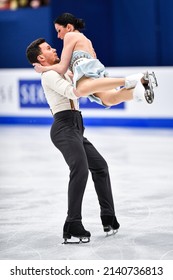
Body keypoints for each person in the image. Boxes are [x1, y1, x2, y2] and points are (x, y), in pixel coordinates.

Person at [26, 38, 121, 244]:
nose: (54, 49)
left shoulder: (56, 70)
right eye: (49, 48)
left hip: (76, 127)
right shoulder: (50, 75)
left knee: (100, 166)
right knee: (80, 168)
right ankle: (72, 223)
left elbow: (77, 73)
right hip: (64, 127)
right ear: (41, 57)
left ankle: (108, 216)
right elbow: (73, 92)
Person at [33, 13, 156, 106]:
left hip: (84, 66)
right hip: (91, 67)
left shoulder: (70, 36)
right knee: (109, 99)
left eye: (59, 31)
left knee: (81, 89)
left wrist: (43, 68)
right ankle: (137, 92)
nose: (58, 36)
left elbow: (62, 67)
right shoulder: (86, 39)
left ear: (69, 27)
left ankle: (136, 78)